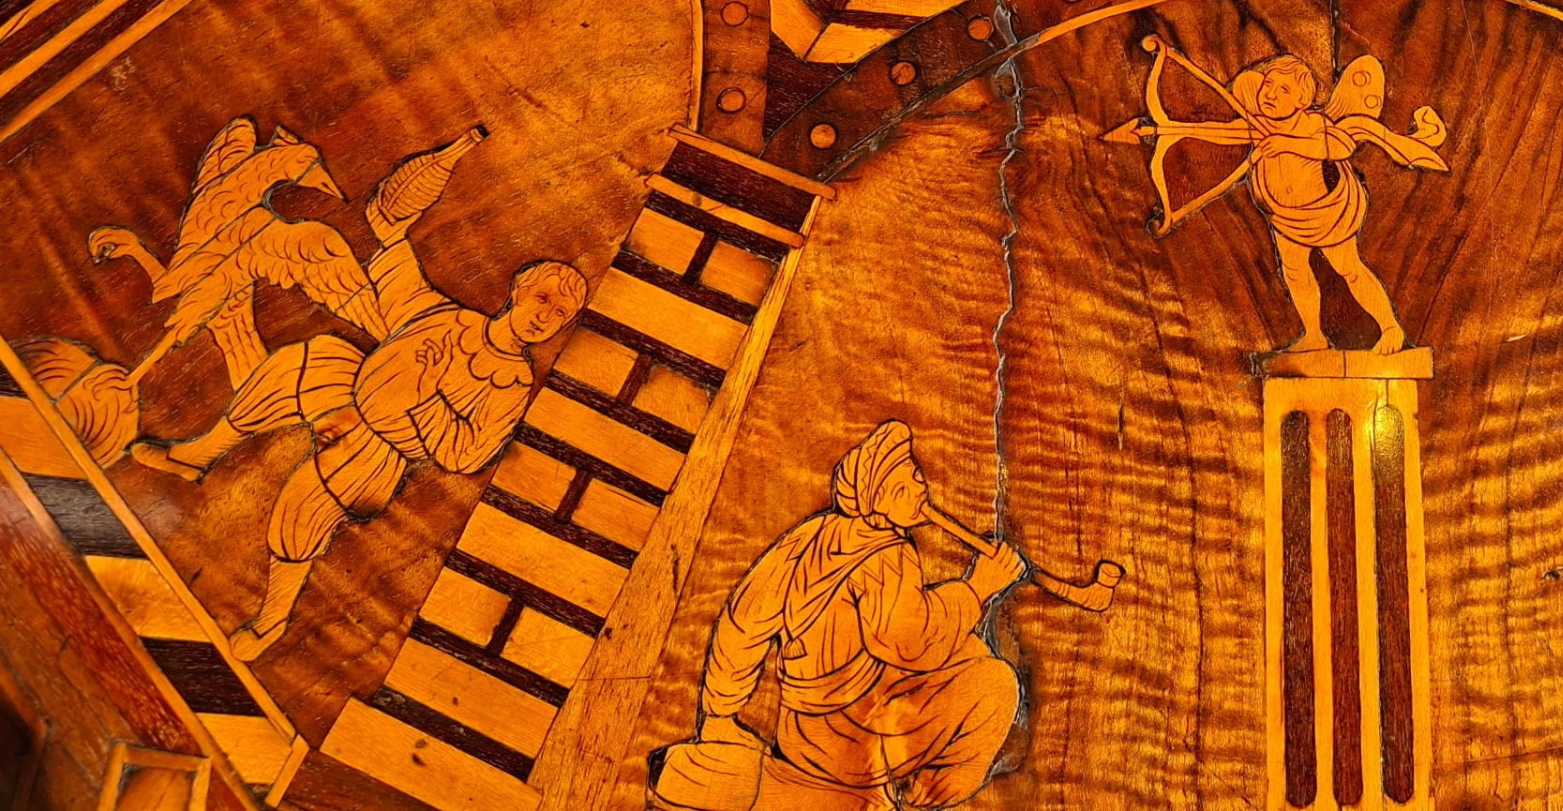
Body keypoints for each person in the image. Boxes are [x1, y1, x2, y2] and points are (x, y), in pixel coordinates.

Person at [133, 226, 587, 660]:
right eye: (542, 299)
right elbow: (398, 278)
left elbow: (468, 455)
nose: (544, 317)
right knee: (297, 365)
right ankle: (196, 457)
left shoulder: (511, 383)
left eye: (559, 315)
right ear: (518, 291)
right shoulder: (451, 317)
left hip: (386, 445)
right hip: (351, 384)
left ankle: (272, 619)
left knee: (301, 511)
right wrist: (394, 223)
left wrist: (427, 398)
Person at [691, 422, 1023, 809]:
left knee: (969, 649)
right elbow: (910, 642)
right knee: (998, 683)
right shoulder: (887, 556)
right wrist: (978, 587)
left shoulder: (814, 534)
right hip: (848, 743)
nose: (919, 488)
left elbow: (745, 618)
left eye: (915, 475)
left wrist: (719, 711)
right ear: (877, 506)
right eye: (901, 489)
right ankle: (939, 783)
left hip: (798, 729)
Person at [1161, 53, 1445, 354]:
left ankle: (1390, 327)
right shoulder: (1258, 125)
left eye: (1283, 90)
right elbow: (1224, 133)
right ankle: (1313, 334)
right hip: (1285, 217)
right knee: (1295, 271)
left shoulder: (1312, 123)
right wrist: (1171, 130)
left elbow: (1340, 146)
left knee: (1349, 268)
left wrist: (1286, 144)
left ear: (1301, 100)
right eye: (1268, 85)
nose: (1271, 94)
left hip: (1323, 215)